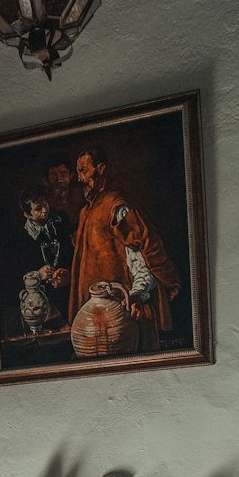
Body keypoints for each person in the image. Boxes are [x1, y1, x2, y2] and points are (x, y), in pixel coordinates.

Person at [67, 146, 181, 351]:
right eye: (78, 172)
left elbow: (140, 262)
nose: (79, 178)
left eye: (84, 171)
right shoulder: (85, 212)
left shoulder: (117, 206)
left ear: (100, 168)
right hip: (93, 322)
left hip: (124, 318)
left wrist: (134, 297)